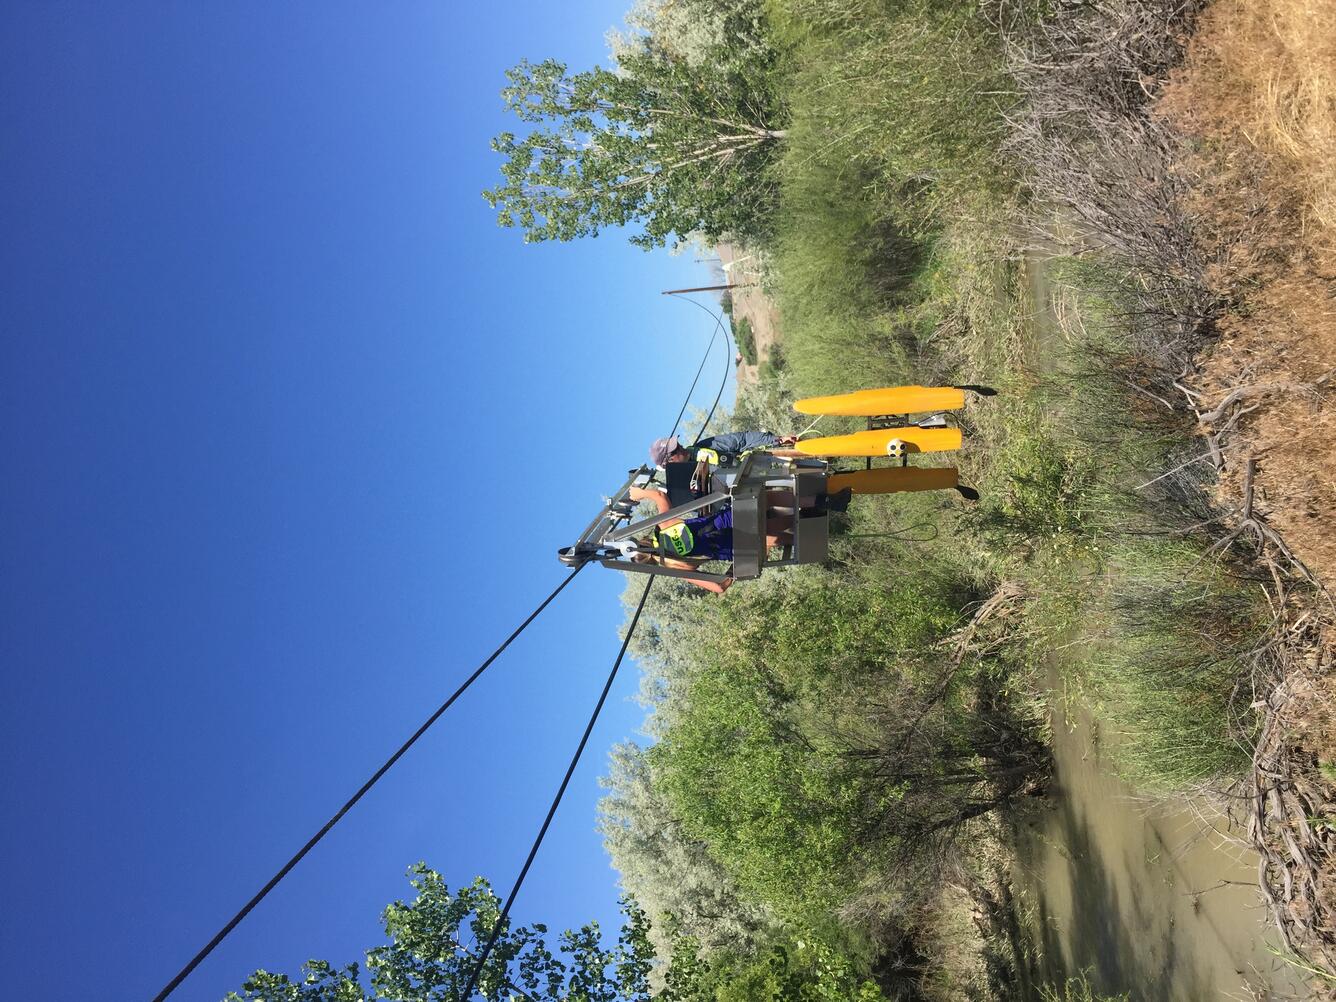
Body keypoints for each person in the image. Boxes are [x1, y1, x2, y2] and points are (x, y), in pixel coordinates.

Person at [626, 483, 850, 594]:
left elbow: (719, 587)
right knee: (769, 498)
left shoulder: (675, 567)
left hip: (740, 548)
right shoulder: (663, 528)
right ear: (644, 541)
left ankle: (814, 526)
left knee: (767, 537)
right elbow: (659, 495)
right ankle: (822, 503)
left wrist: (737, 567)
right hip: (732, 520)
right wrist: (638, 493)